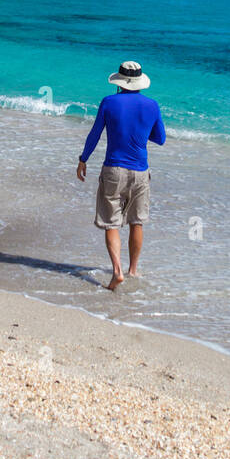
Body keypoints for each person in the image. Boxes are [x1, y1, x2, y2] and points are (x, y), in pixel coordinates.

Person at [76, 60, 166, 291]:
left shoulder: (109, 102)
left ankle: (117, 271)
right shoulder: (152, 105)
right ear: (140, 83)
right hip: (140, 171)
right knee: (137, 222)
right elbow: (161, 139)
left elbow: (95, 134)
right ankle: (133, 269)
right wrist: (140, 132)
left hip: (113, 170)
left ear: (120, 82)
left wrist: (83, 159)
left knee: (111, 223)